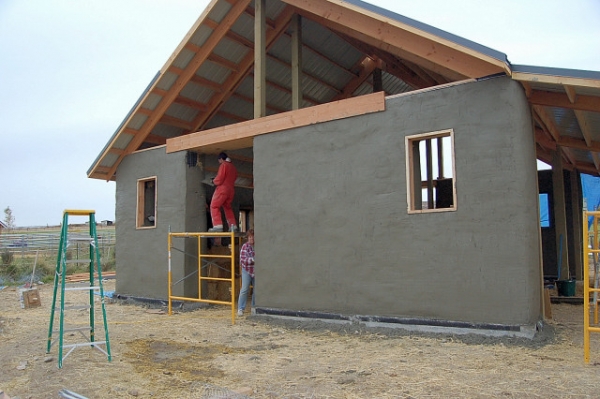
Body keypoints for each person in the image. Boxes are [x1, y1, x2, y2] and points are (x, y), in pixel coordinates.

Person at [208, 152, 238, 232]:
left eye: (219, 160)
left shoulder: (224, 165)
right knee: (227, 207)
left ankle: (217, 226)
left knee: (214, 206)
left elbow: (220, 178)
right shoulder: (233, 167)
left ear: (221, 159)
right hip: (231, 190)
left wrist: (213, 181)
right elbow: (234, 177)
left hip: (222, 189)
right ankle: (233, 226)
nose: (219, 162)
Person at [237, 229, 255, 316]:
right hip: (247, 270)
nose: (252, 239)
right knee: (244, 289)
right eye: (250, 237)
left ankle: (254, 308)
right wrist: (252, 260)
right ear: (248, 238)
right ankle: (240, 308)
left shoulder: (257, 246)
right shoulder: (245, 246)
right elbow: (243, 260)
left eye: (253, 237)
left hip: (256, 270)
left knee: (257, 290)